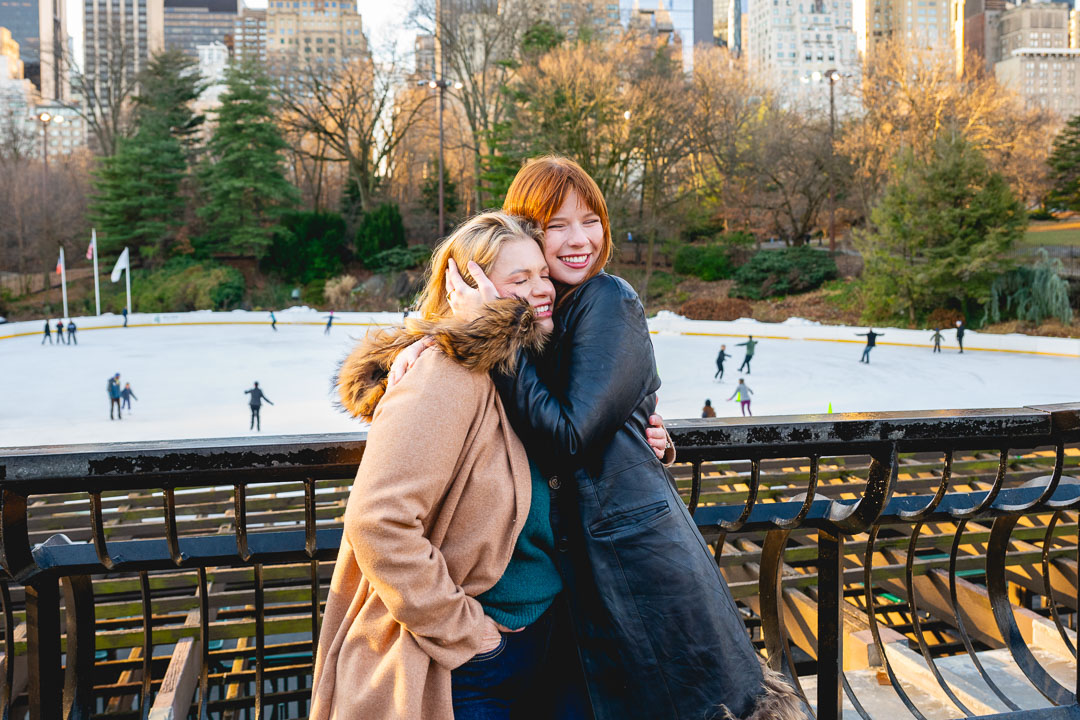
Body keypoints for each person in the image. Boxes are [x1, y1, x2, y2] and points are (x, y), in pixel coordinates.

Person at [410, 157, 799, 720]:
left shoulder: (607, 299)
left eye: (589, 220)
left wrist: (494, 331)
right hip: (577, 576)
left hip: (635, 567)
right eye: (556, 225)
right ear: (525, 233)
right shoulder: (544, 311)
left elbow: (569, 438)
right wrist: (434, 342)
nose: (577, 240)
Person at [312, 213, 583, 720]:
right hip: (469, 663)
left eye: (541, 273)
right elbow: (379, 524)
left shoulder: (525, 371)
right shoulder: (445, 373)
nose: (542, 288)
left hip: (544, 640)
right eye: (518, 279)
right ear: (466, 287)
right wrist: (471, 635)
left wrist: (648, 433)